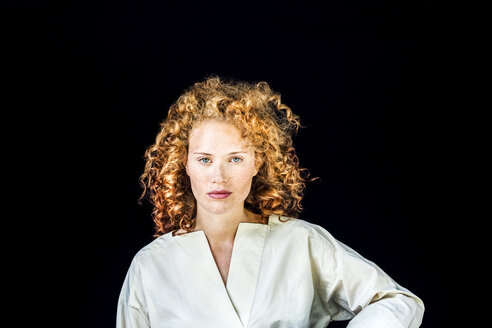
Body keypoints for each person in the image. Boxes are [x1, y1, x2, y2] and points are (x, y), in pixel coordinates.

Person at [116, 76, 424, 328]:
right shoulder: (151, 266)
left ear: (257, 162)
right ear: (185, 164)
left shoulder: (300, 242)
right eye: (205, 159)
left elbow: (397, 302)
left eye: (235, 158)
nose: (218, 176)